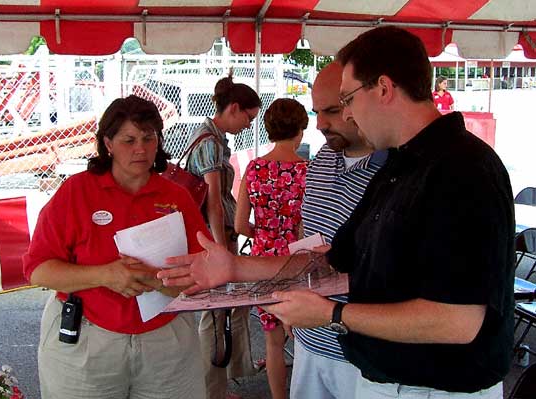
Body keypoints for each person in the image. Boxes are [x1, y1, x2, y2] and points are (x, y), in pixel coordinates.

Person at [159, 26, 515, 399]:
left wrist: (331, 314)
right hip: (385, 376)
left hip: (437, 388)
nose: (347, 114)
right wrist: (236, 268)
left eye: (347, 99)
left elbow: (458, 320)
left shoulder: (461, 169)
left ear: (383, 88)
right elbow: (332, 261)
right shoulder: (399, 164)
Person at [23, 95, 210, 399]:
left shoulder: (176, 197)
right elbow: (38, 270)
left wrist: (156, 279)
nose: (141, 148)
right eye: (129, 140)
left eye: (149, 138)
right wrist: (106, 275)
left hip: (166, 341)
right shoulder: (77, 192)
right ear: (107, 143)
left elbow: (205, 271)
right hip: (87, 341)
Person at [290, 61, 386, 399]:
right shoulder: (322, 160)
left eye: (331, 110)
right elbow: (308, 233)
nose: (320, 124)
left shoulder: (396, 172)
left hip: (361, 353)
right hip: (309, 339)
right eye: (316, 112)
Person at [185, 70, 262, 399]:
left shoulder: (211, 138)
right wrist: (221, 250)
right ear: (233, 108)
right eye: (248, 117)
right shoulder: (211, 144)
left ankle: (226, 376)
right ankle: (212, 390)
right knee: (214, 316)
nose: (249, 125)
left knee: (225, 309)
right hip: (216, 238)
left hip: (219, 235)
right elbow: (214, 203)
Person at [234, 97, 308, 399]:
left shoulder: (253, 169)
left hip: (262, 261)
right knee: (305, 338)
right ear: (300, 130)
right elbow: (309, 226)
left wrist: (265, 233)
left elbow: (239, 226)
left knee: (273, 343)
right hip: (298, 261)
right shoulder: (308, 171)